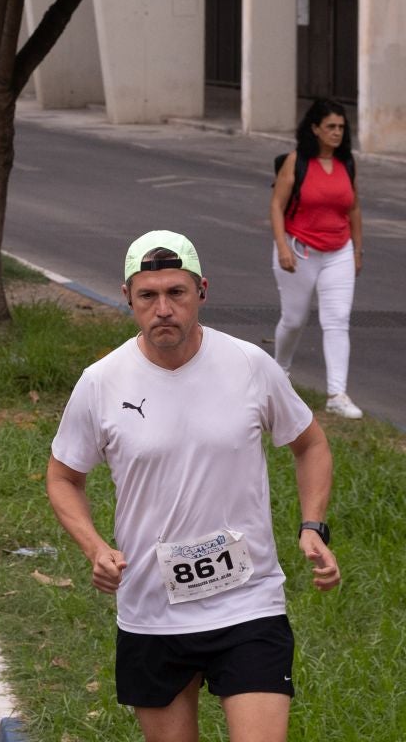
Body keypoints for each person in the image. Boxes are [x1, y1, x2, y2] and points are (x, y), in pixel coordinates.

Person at [47, 231, 340, 742]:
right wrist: (95, 548)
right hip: (152, 612)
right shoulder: (101, 382)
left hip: (248, 604)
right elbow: (63, 477)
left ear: (201, 291)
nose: (163, 308)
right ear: (128, 297)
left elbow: (310, 444)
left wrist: (312, 524)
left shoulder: (250, 365)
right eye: (148, 296)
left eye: (176, 293)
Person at [268, 99, 364, 418]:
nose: (337, 133)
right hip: (300, 250)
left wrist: (357, 250)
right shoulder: (297, 162)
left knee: (337, 320)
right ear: (315, 129)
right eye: (331, 127)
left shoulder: (346, 163)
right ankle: (279, 372)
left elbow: (353, 209)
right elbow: (277, 206)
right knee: (294, 320)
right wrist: (282, 247)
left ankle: (337, 393)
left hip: (339, 251)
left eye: (341, 127)